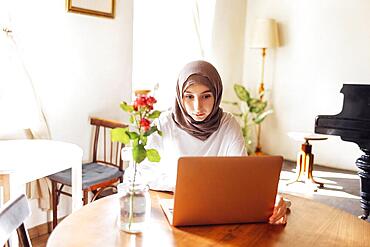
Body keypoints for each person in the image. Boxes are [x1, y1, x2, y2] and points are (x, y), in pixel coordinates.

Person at [139, 60, 287, 224]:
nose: (198, 107)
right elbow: (144, 173)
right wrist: (182, 185)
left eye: (206, 96)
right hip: (171, 206)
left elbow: (242, 177)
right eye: (189, 96)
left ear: (216, 94)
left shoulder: (228, 124)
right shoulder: (164, 123)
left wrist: (273, 199)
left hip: (220, 211)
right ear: (180, 96)